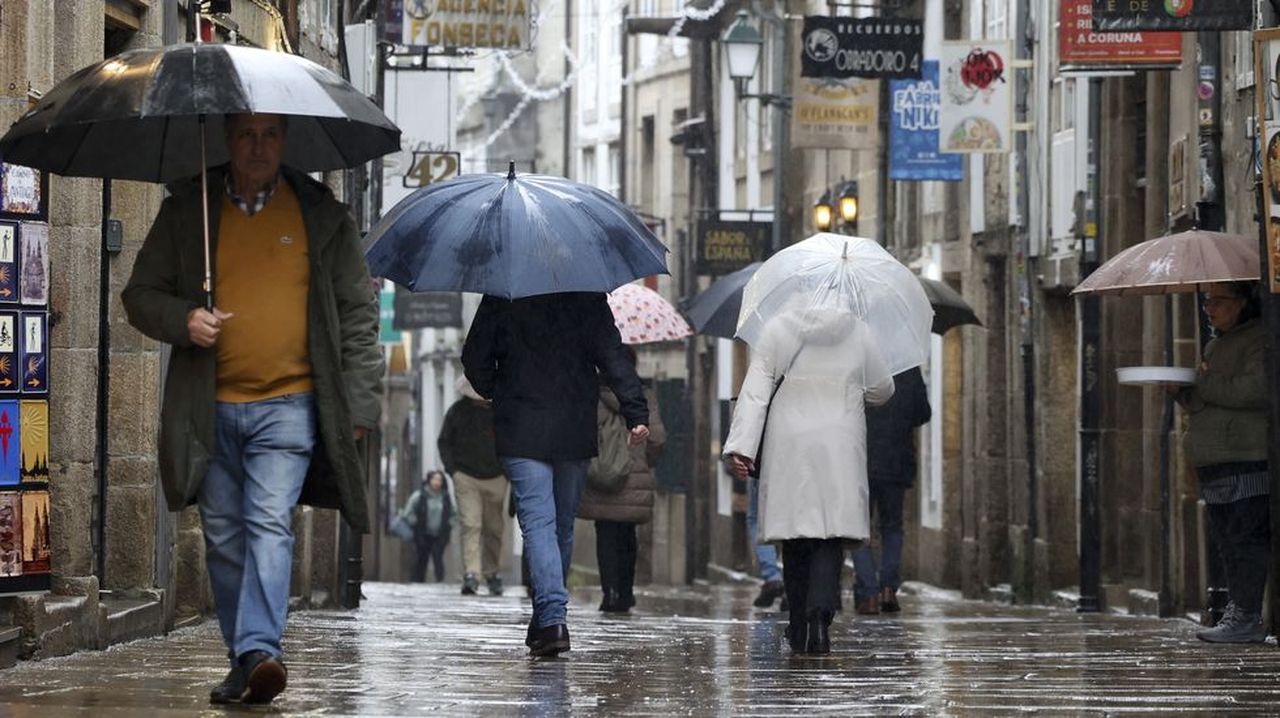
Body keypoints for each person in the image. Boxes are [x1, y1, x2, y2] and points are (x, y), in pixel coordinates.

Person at [121, 113, 383, 705]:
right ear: (228, 141)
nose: (258, 146)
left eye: (270, 135)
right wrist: (184, 319)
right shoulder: (190, 210)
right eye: (246, 135)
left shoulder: (320, 214)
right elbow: (139, 295)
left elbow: (358, 316)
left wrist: (362, 399)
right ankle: (245, 658)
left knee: (268, 522)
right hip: (207, 407)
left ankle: (263, 648)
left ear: (285, 141)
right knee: (222, 537)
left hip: (289, 405)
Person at [462, 293, 649, 657]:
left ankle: (549, 617)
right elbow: (613, 356)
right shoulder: (588, 298)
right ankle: (550, 615)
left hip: (521, 425)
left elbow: (475, 357)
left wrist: (497, 390)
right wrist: (635, 411)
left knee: (539, 525)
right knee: (560, 525)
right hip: (573, 426)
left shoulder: (502, 296)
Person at [724, 302, 894, 656]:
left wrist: (742, 447)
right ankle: (820, 618)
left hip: (790, 440)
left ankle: (799, 624)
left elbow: (756, 392)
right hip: (840, 437)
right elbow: (882, 388)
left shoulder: (776, 329)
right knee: (830, 533)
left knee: (795, 534)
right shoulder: (859, 331)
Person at [1174, 281, 1270, 644]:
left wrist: (1201, 380)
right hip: (1214, 457)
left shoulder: (1259, 339)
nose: (1209, 308)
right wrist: (1184, 391)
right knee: (1228, 540)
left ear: (1243, 303)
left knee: (1246, 537)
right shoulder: (1217, 344)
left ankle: (1246, 616)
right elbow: (1207, 400)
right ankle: (1238, 609)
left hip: (1245, 455)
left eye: (1218, 301)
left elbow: (1254, 390)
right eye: (1207, 301)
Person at [577, 349, 666, 613]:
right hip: (633, 477)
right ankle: (625, 593)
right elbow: (658, 438)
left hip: (600, 480)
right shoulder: (644, 397)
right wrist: (643, 462)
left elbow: (584, 432)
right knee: (627, 538)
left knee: (605, 535)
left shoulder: (593, 396)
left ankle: (610, 592)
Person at [852, 367, 932, 615]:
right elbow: (923, 412)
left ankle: (869, 592)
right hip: (897, 459)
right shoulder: (907, 367)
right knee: (893, 526)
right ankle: (888, 587)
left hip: (861, 459)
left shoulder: (860, 364)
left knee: (858, 530)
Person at [439, 376, 509, 596]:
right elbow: (445, 442)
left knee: (494, 528)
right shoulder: (457, 412)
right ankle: (471, 573)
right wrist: (454, 471)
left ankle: (491, 572)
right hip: (466, 477)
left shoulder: (502, 412)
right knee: (470, 524)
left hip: (496, 477)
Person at [399, 471, 455, 583]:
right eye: (434, 479)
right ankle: (418, 582)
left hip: (440, 535)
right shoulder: (419, 496)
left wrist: (449, 523)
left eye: (439, 480)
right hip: (422, 534)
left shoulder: (445, 497)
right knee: (421, 559)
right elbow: (407, 513)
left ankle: (440, 581)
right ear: (429, 480)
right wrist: (415, 522)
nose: (437, 482)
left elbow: (454, 513)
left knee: (438, 558)